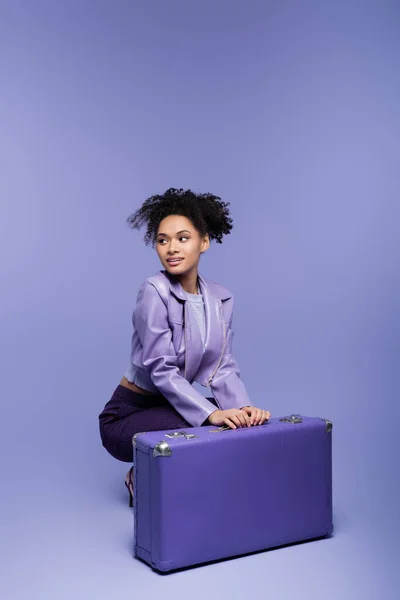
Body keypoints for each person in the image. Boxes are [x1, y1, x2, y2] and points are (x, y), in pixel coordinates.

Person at [98, 188, 270, 506]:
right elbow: (161, 370)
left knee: (232, 420)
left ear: (204, 241)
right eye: (163, 240)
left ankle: (192, 482)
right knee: (208, 419)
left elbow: (222, 367)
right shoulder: (154, 291)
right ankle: (141, 475)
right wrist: (214, 414)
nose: (171, 249)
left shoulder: (220, 299)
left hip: (168, 410)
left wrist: (245, 411)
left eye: (182, 238)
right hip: (125, 417)